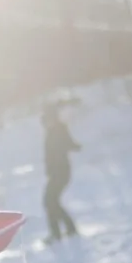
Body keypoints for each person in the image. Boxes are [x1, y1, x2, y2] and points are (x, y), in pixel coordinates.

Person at [42, 104, 81, 243]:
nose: (45, 122)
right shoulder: (52, 130)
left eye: (46, 119)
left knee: (49, 201)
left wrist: (75, 146)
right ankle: (64, 231)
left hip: (61, 171)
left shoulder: (58, 130)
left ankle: (61, 232)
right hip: (57, 172)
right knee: (51, 202)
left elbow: (68, 145)